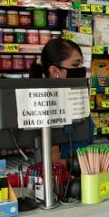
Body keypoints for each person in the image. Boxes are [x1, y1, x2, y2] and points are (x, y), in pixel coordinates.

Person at [29, 38, 91, 167]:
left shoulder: (75, 100)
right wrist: (82, 165)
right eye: (75, 65)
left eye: (81, 64)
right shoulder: (47, 108)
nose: (81, 69)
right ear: (55, 71)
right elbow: (53, 162)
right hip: (66, 177)